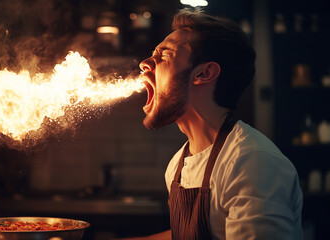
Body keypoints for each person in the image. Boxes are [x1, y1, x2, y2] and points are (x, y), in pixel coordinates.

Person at [124, 8, 303, 240]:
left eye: (165, 55)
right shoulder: (177, 165)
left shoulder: (252, 162)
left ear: (204, 73)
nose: (145, 64)